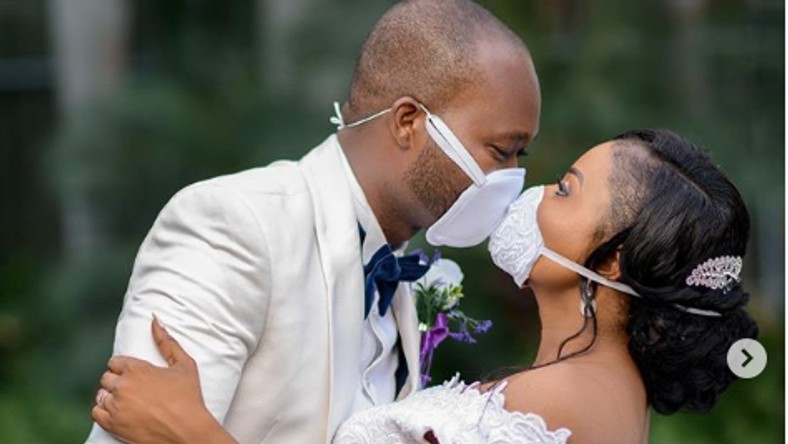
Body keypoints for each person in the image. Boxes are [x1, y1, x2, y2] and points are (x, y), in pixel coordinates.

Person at [95, 129, 757, 444]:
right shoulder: (604, 392)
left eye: (564, 191)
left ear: (611, 261)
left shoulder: (560, 401)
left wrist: (185, 429)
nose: (530, 193)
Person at [86, 1, 541, 443]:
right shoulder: (235, 225)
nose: (512, 178)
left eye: (520, 155)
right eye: (501, 151)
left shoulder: (396, 282)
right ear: (408, 122)